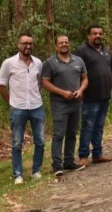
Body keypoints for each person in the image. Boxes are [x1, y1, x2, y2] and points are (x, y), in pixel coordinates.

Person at [0, 33, 45, 185]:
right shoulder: (9, 63)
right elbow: (1, 85)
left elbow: (40, 84)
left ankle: (36, 170)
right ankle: (18, 174)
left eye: (30, 43)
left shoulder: (38, 63)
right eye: (25, 43)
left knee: (41, 141)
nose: (28, 46)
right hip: (18, 108)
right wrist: (11, 101)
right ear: (18, 45)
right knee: (17, 142)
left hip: (37, 106)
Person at [42, 35, 88, 176]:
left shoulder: (78, 60)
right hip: (59, 104)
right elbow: (45, 82)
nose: (64, 44)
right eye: (61, 42)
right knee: (59, 134)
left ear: (69, 44)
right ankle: (57, 165)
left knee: (72, 133)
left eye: (66, 42)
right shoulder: (50, 63)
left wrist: (80, 90)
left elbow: (85, 78)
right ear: (56, 46)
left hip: (76, 102)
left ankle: (69, 162)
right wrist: (62, 93)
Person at [75, 25, 112, 167]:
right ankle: (83, 155)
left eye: (100, 33)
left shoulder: (106, 51)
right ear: (89, 36)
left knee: (99, 126)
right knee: (88, 126)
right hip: (89, 96)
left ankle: (98, 154)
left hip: (104, 95)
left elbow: (110, 72)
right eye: (94, 34)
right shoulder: (82, 51)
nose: (98, 36)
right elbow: (76, 72)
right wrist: (79, 91)